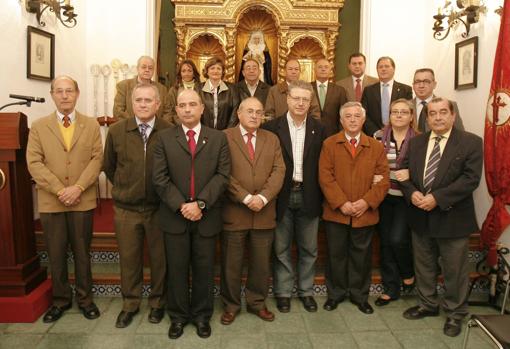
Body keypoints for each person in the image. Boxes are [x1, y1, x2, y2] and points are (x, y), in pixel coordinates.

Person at [399, 97, 483, 337]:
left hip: (452, 217)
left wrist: (437, 198)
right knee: (424, 265)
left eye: (443, 112)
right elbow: (403, 174)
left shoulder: (470, 142)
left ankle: (456, 313)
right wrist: (412, 192)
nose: (437, 117)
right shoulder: (416, 143)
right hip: (420, 215)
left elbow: (470, 179)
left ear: (453, 115)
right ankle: (428, 304)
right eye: (432, 113)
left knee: (455, 269)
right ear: (426, 118)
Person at [152, 89, 230, 339]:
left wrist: (201, 204)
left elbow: (223, 175)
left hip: (206, 217)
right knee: (176, 269)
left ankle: (202, 316)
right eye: (182, 105)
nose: (187, 109)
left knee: (204, 269)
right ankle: (178, 316)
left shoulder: (218, 138)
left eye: (192, 104)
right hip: (175, 216)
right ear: (175, 110)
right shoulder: (164, 138)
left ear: (202, 108)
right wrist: (182, 205)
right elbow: (159, 178)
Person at [26, 75, 103, 323]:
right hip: (52, 201)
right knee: (56, 253)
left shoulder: (91, 125)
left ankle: (85, 299)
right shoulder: (38, 126)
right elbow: (34, 162)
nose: (64, 95)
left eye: (69, 90)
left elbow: (97, 159)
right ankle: (60, 300)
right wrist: (60, 189)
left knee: (82, 252)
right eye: (59, 91)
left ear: (77, 94)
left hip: (83, 199)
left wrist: (78, 187)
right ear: (52, 95)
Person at [103, 83, 171, 328]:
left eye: (148, 100)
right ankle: (130, 304)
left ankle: (157, 304)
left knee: (159, 260)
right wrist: (126, 188)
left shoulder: (169, 130)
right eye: (138, 100)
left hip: (159, 209)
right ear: (132, 104)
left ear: (158, 104)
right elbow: (109, 166)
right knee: (129, 259)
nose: (143, 104)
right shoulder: (117, 131)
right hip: (126, 209)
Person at [318, 101, 389, 315]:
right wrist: (342, 203)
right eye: (347, 116)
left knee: (362, 256)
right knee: (336, 255)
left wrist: (365, 202)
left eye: (356, 116)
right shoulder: (329, 144)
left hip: (364, 213)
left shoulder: (375, 146)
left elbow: (383, 179)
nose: (352, 119)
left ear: (363, 119)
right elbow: (325, 177)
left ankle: (360, 296)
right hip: (336, 213)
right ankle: (336, 294)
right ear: (340, 120)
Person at [263, 80, 327, 313]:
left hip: (309, 194)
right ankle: (282, 292)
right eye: (296, 98)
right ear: (287, 99)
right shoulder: (271, 128)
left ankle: (306, 291)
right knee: (280, 249)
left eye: (305, 99)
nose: (300, 103)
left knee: (309, 248)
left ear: (310, 103)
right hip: (281, 195)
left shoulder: (320, 129)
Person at [220, 97, 285, 325]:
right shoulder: (225, 137)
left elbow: (279, 171)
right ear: (239, 113)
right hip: (235, 212)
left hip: (264, 212)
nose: (255, 116)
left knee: (261, 263)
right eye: (250, 111)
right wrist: (246, 197)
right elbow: (222, 173)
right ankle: (230, 305)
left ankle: (257, 302)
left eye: (259, 112)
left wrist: (263, 197)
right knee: (231, 263)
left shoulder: (272, 139)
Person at [373, 99, 418, 306]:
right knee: (385, 243)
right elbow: (370, 163)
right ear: (389, 116)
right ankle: (391, 289)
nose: (398, 115)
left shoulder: (419, 140)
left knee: (397, 239)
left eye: (403, 112)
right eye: (394, 112)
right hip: (384, 196)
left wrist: (410, 174)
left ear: (411, 116)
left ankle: (408, 273)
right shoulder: (378, 137)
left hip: (406, 199)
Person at [361, 56, 413, 136]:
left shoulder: (405, 90)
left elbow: (408, 113)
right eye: (380, 67)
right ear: (377, 70)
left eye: (387, 66)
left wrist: (394, 130)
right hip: (373, 136)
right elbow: (364, 113)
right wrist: (375, 131)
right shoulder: (368, 90)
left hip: (399, 134)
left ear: (394, 69)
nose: (383, 69)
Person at [113, 55, 173, 124]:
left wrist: (160, 128)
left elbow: (168, 112)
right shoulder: (124, 86)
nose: (147, 70)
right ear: (137, 68)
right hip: (129, 131)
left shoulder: (162, 89)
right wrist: (135, 127)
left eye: (150, 68)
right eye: (144, 67)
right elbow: (118, 112)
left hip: (156, 132)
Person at [411, 68, 464, 132]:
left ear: (434, 84)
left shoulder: (450, 105)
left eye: (426, 81)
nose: (421, 85)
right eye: (417, 82)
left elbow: (460, 132)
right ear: (413, 85)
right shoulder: (405, 106)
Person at [198, 56, 240, 130]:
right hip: (203, 132)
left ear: (223, 71)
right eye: (212, 68)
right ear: (207, 71)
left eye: (219, 68)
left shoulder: (232, 88)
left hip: (226, 133)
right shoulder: (198, 88)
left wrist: (228, 131)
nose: (215, 71)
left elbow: (235, 111)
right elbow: (195, 110)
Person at [312, 58, 348, 137]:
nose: (323, 69)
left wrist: (341, 135)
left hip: (333, 134)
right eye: (320, 67)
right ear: (314, 70)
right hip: (311, 132)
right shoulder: (307, 88)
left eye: (326, 67)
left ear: (330, 71)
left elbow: (344, 114)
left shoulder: (340, 90)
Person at [167, 59, 201, 124]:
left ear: (194, 73)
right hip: (178, 125)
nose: (186, 74)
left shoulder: (201, 88)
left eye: (189, 71)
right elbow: (169, 111)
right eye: (183, 71)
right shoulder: (174, 90)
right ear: (180, 73)